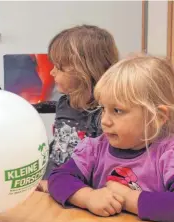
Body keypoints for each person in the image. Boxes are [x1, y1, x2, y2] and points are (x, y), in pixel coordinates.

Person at [48, 55, 174, 222]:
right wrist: (88, 197)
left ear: (158, 117)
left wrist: (127, 197)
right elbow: (58, 178)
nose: (105, 121)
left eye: (117, 110)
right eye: (103, 109)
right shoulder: (95, 148)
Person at [37, 25, 119, 193]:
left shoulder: (105, 114)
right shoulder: (64, 103)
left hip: (80, 193)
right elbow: (60, 144)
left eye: (59, 67)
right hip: (52, 183)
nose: (52, 72)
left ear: (84, 70)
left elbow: (102, 167)